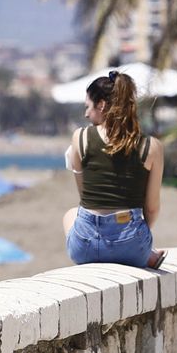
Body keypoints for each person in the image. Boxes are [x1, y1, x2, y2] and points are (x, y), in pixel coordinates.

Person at [63, 71, 166, 269]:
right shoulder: (152, 147)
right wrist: (135, 237)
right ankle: (148, 255)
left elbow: (85, 197)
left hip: (85, 247)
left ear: (101, 105)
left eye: (88, 107)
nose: (86, 114)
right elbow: (152, 209)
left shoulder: (80, 137)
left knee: (70, 214)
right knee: (135, 229)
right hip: (131, 246)